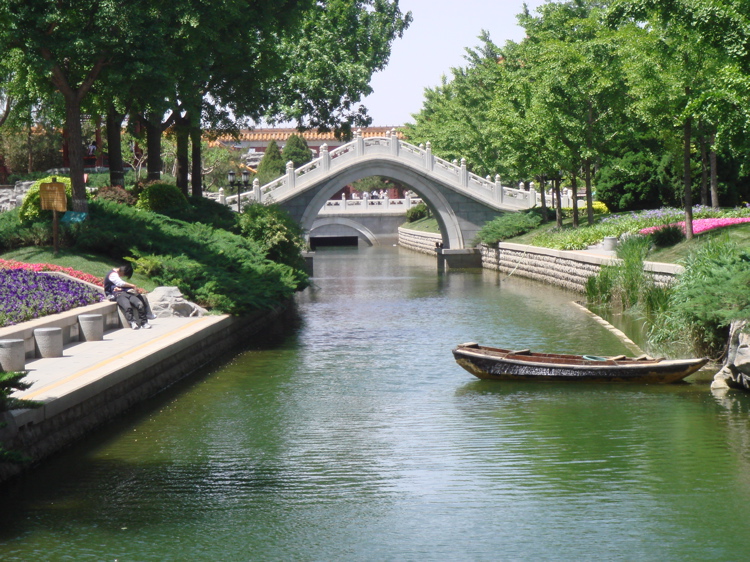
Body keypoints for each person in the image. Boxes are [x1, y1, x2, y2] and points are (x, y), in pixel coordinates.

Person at [104, 265, 154, 330]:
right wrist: (132, 285)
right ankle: (132, 322)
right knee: (127, 306)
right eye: (124, 274)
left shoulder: (116, 274)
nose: (123, 276)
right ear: (122, 271)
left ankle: (144, 322)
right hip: (118, 295)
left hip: (127, 293)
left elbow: (120, 284)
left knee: (139, 304)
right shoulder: (112, 274)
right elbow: (120, 283)